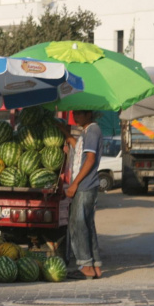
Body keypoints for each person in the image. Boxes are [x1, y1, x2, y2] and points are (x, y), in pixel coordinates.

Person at [58, 110, 104, 279]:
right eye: (74, 114)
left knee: (77, 225)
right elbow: (76, 146)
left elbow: (90, 159)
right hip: (86, 186)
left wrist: (75, 184)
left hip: (84, 186)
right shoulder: (87, 131)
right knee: (87, 225)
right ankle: (95, 266)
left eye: (78, 114)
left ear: (89, 114)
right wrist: (63, 130)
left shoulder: (92, 130)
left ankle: (85, 266)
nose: (75, 117)